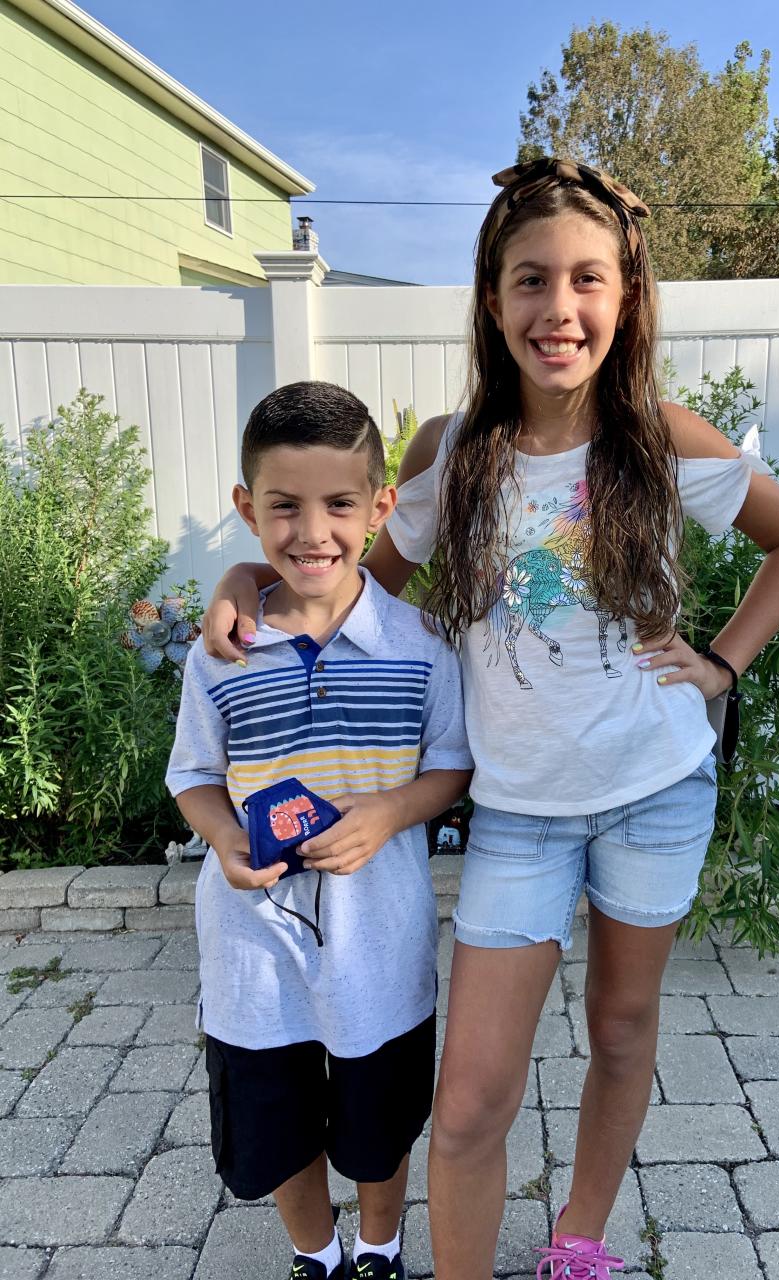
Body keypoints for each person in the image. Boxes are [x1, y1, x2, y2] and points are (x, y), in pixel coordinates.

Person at [203, 158, 779, 1280]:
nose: (560, 307)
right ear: (492, 298)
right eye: (531, 279)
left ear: (625, 296)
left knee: (623, 1028)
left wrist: (722, 661)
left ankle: (580, 1238)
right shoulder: (453, 451)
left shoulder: (668, 439)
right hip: (518, 815)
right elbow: (358, 585)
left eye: (589, 279)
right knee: (471, 1102)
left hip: (656, 790)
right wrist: (253, 585)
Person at [167, 381, 472, 1280]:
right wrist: (224, 837)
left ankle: (380, 1244)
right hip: (252, 951)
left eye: (340, 504)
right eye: (283, 507)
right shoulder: (221, 650)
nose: (312, 532)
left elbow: (452, 767)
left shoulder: (421, 644)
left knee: (378, 1120)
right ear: (245, 509)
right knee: (274, 1122)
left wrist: (392, 811)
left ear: (380, 507)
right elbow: (192, 775)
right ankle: (319, 1253)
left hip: (379, 939)